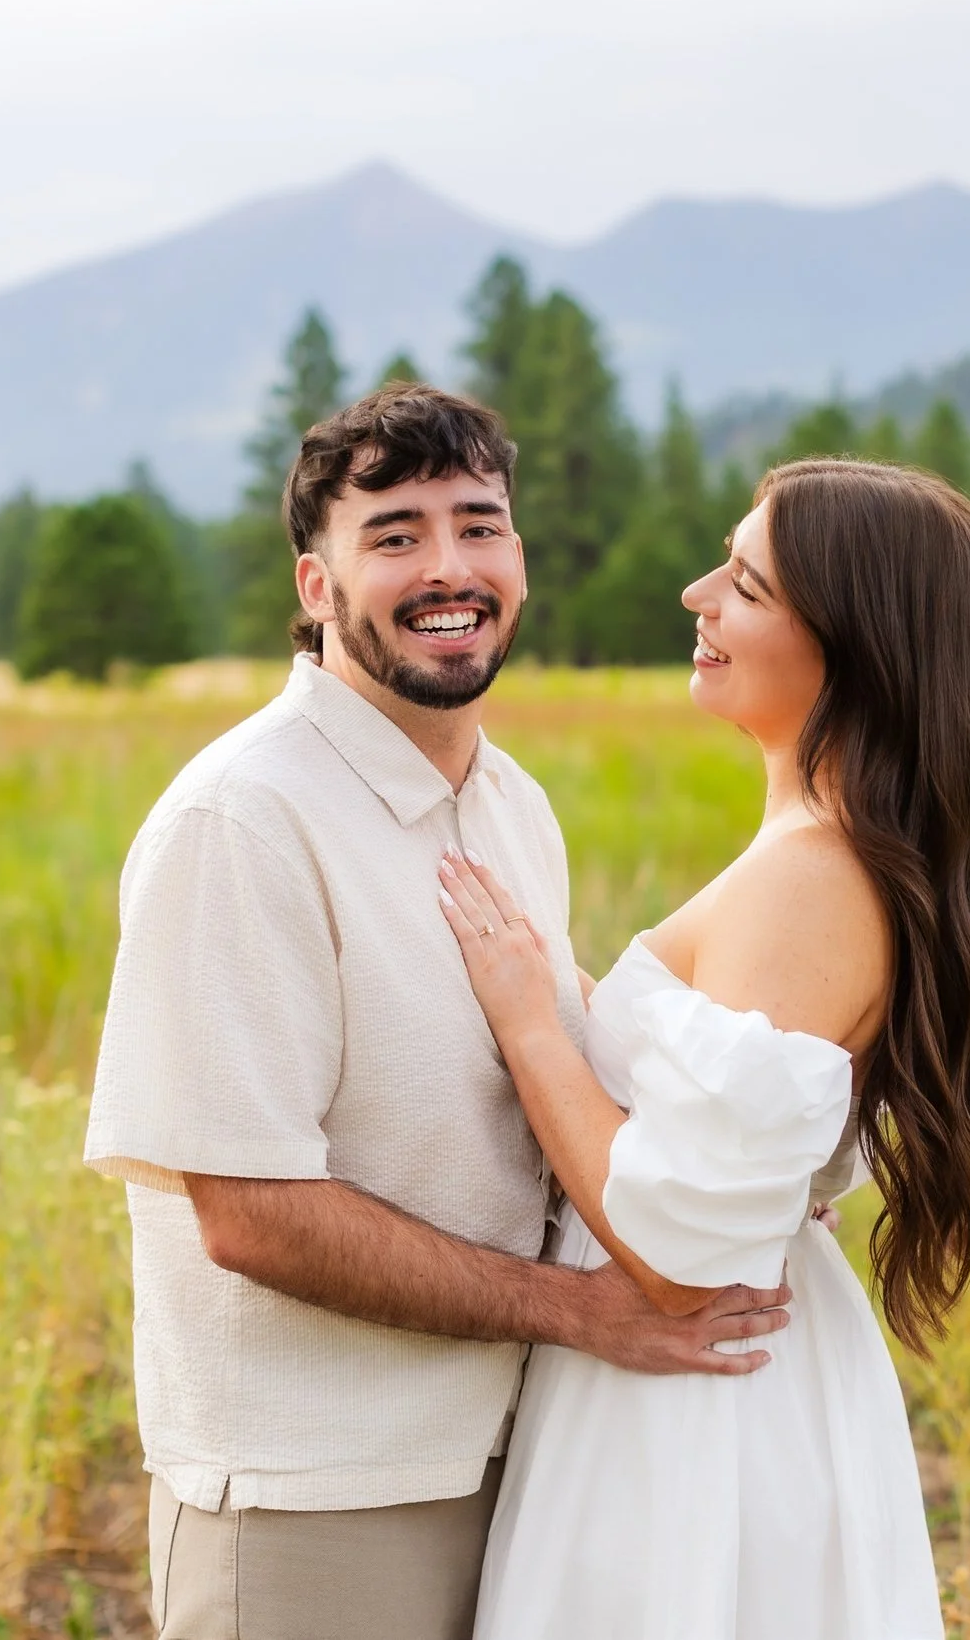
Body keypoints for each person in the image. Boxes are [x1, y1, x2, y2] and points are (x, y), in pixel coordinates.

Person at [80, 383, 795, 1640]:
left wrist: (753, 1163)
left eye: (479, 524)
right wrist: (578, 1312)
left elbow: (546, 1096)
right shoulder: (241, 821)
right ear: (316, 587)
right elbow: (249, 1213)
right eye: (396, 534)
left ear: (518, 558)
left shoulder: (513, 803)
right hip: (318, 1501)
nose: (448, 567)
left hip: (519, 1464)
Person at [439, 458, 970, 1638]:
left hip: (691, 1416)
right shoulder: (827, 850)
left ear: (850, 645)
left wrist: (525, 1018)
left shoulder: (810, 876)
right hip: (727, 1384)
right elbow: (731, 1127)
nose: (697, 594)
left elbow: (679, 1251)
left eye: (746, 585)